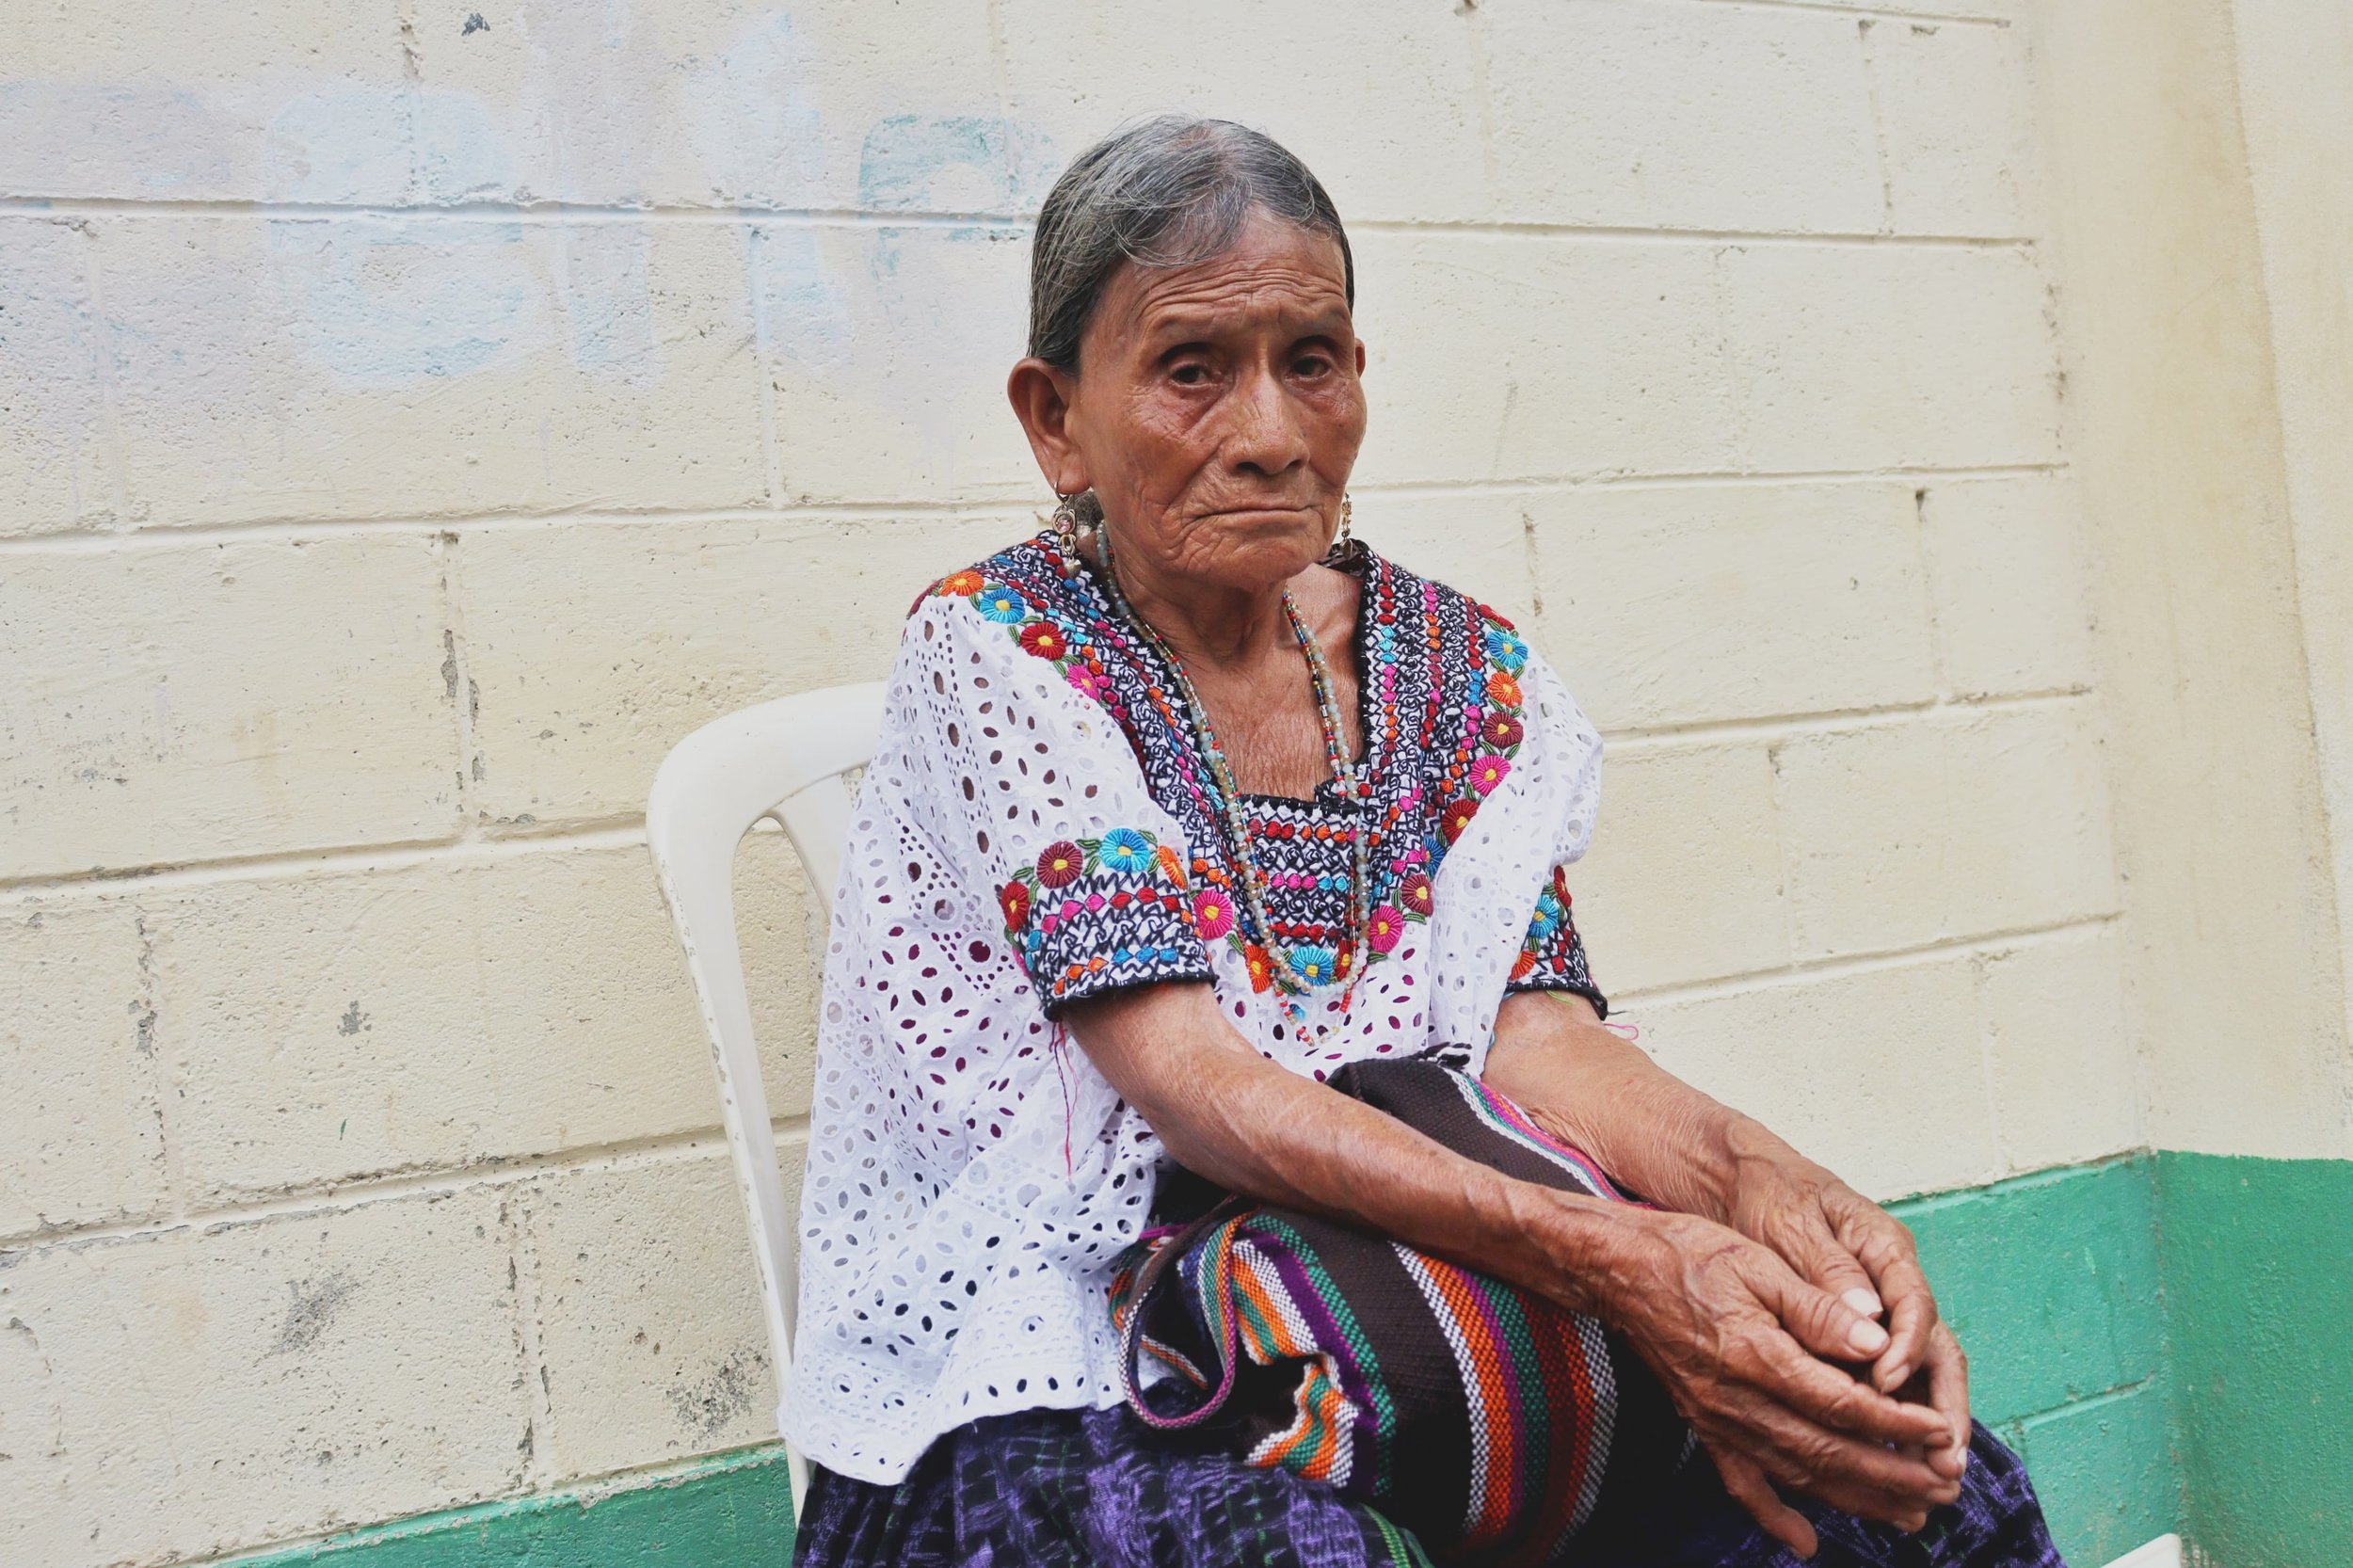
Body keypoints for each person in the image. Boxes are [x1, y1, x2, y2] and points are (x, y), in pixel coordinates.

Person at [785, 116, 2064, 1567]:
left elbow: (1540, 1039)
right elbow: (1198, 1087)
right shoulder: (1006, 647)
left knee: (1918, 1490)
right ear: (1056, 416)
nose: (1270, 432)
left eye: (1311, 359)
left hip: (1417, 1316)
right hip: (1062, 1357)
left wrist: (1762, 1188)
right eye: (1192, 368)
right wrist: (1629, 1257)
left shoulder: (1460, 671)